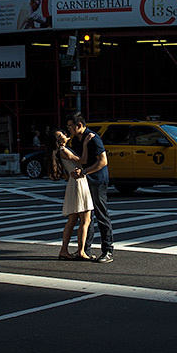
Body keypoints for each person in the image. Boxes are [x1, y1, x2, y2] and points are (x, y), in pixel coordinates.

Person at [67, 112, 112, 263]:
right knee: (87, 216)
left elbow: (103, 161)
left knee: (101, 214)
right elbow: (81, 160)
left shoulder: (93, 138)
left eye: (71, 126)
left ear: (79, 125)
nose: (69, 129)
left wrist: (85, 172)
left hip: (97, 180)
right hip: (84, 181)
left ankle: (108, 250)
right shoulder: (76, 140)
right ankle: (85, 250)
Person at [48, 129, 94, 261]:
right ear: (58, 140)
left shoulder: (62, 151)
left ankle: (64, 250)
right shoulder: (64, 150)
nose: (65, 134)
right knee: (85, 220)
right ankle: (81, 251)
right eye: (61, 135)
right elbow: (83, 160)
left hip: (74, 183)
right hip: (79, 183)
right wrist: (85, 143)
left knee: (73, 219)